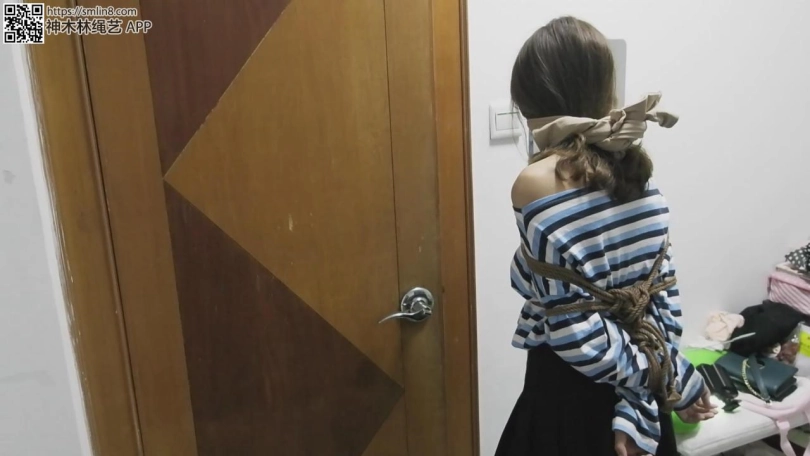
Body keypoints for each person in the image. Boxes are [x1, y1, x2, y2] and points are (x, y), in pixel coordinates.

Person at [495, 17, 717, 456]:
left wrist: (650, 386)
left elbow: (572, 331)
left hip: (573, 394)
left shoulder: (536, 182)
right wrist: (659, 388)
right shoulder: (638, 172)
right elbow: (661, 299)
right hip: (643, 376)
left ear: (531, 100)